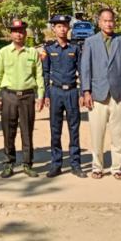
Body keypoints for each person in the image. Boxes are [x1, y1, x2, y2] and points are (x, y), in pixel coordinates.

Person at [79, 8, 121, 180]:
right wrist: (86, 91)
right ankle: (97, 167)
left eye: (111, 20)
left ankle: (117, 168)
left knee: (119, 134)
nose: (109, 24)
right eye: (105, 20)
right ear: (99, 22)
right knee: (97, 133)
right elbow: (85, 69)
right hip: (97, 94)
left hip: (118, 94)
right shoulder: (90, 42)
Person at [0, 18, 45, 178]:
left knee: (27, 131)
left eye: (21, 31)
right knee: (8, 131)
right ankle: (8, 164)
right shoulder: (3, 52)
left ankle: (27, 164)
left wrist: (41, 96)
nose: (18, 34)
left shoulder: (32, 53)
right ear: (11, 34)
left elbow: (39, 76)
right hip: (9, 95)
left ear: (25, 33)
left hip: (27, 96)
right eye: (15, 31)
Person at [42, 14, 85, 178]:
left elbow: (81, 71)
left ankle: (75, 164)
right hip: (56, 92)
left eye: (65, 25)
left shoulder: (75, 48)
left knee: (74, 129)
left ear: (68, 28)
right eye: (59, 26)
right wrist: (46, 94)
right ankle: (56, 164)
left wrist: (82, 92)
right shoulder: (49, 49)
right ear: (53, 28)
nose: (62, 29)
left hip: (72, 92)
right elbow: (45, 73)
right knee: (55, 130)